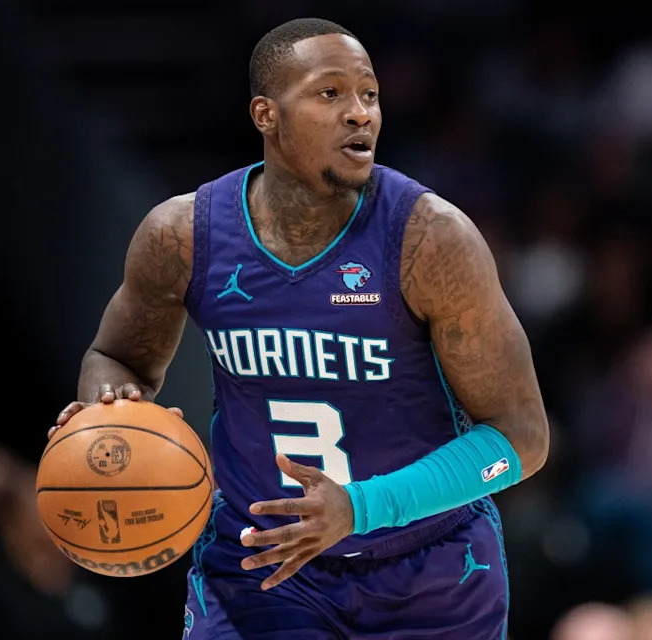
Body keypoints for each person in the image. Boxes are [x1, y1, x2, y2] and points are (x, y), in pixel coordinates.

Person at [49, 17, 550, 639]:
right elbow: (115, 356)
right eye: (329, 93)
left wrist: (361, 507)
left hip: (430, 571)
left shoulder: (430, 239)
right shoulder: (183, 235)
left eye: (369, 94)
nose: (360, 113)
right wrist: (108, 407)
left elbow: (522, 438)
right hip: (261, 566)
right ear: (266, 114)